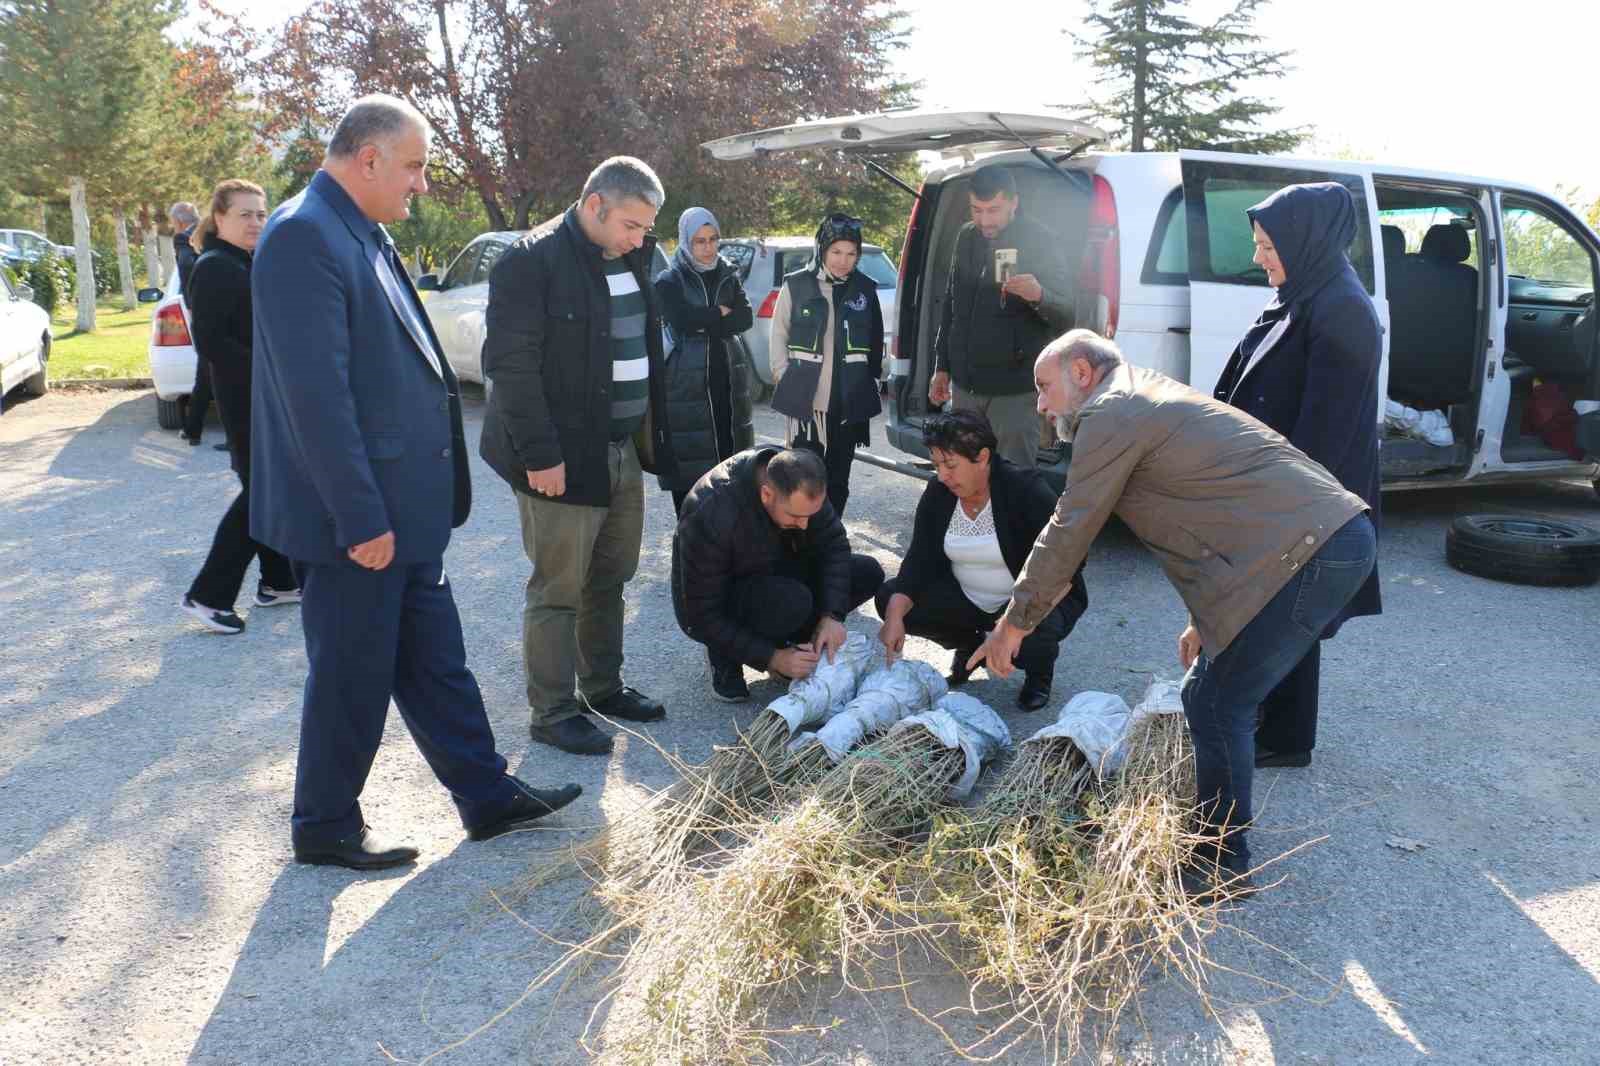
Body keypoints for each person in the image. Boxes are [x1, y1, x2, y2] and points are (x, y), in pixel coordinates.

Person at [251, 95, 581, 870]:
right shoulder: (303, 235)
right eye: (415, 166)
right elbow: (316, 402)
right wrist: (360, 519)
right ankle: (324, 823)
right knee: (352, 671)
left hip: (406, 509)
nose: (422, 184)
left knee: (435, 661)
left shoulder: (357, 228)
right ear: (368, 159)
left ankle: (486, 795)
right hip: (360, 518)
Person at [969, 330, 1376, 897]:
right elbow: (1204, 512)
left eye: (1044, 387)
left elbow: (1071, 527)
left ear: (1082, 373)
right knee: (1212, 695)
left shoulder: (1111, 412)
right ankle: (1217, 841)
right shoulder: (1140, 398)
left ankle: (1223, 862)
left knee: (1217, 701)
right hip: (1319, 543)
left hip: (1311, 552)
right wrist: (1201, 618)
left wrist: (1015, 621)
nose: (1040, 405)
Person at [481, 157, 678, 757]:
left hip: (620, 450)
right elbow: (511, 368)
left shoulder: (633, 254)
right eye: (631, 225)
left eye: (646, 228)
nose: (640, 239)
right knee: (558, 589)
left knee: (610, 578)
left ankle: (602, 687)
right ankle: (553, 712)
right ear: (595, 204)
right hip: (559, 458)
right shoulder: (529, 261)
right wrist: (540, 456)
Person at [1213, 182, 1383, 770]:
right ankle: (1270, 722)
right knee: (1277, 608)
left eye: (1268, 246)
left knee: (1292, 611)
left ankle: (1286, 739)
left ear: (1305, 241)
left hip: (1307, 498)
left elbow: (1328, 430)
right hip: (1275, 485)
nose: (1258, 257)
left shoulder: (1343, 310)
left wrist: (1280, 505)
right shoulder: (1302, 293)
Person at [874, 409, 1086, 710]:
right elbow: (918, 560)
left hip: (1027, 600)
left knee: (1034, 636)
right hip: (967, 597)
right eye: (936, 465)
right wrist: (894, 618)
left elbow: (1069, 561)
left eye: (950, 465)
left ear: (983, 457)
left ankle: (1039, 673)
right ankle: (969, 643)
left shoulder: (1024, 488)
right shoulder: (939, 492)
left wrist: (1011, 625)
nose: (942, 475)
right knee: (889, 598)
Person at [177, 180, 299, 635]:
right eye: (245, 214)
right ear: (220, 218)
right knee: (264, 492)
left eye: (261, 214)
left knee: (267, 488)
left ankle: (279, 582)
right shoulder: (214, 266)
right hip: (247, 400)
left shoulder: (242, 261)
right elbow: (211, 342)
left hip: (262, 397)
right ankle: (208, 596)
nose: (255, 222)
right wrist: (271, 373)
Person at [673, 446, 885, 702]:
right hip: (724, 596)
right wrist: (771, 657)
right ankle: (724, 655)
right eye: (795, 516)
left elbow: (834, 547)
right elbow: (700, 614)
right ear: (767, 494)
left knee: (866, 573)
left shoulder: (802, 479)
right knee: (791, 602)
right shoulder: (710, 510)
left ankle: (797, 645)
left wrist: (832, 615)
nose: (804, 525)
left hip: (778, 571)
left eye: (810, 515)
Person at [928, 166, 1071, 469]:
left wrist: (1039, 295)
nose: (984, 221)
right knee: (964, 475)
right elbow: (952, 305)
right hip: (965, 388)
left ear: (1013, 203)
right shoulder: (966, 236)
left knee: (1013, 480)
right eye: (976, 210)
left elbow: (1067, 313)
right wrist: (942, 366)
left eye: (993, 210)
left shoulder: (1041, 240)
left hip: (1014, 392)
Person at [768, 213, 883, 517]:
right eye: (836, 252)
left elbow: (875, 342)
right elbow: (778, 334)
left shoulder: (865, 289)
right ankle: (801, 532)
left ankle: (830, 532)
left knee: (839, 480)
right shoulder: (796, 285)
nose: (843, 261)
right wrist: (782, 375)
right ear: (821, 249)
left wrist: (872, 382)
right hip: (807, 403)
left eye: (851, 254)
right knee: (803, 478)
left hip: (848, 403)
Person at [654, 206, 754, 514]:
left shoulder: (728, 274)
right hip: (686, 386)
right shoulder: (670, 280)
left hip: (728, 382)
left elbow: (744, 318)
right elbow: (682, 321)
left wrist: (705, 319)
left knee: (732, 474)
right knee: (690, 486)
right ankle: (688, 542)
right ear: (686, 241)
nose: (708, 247)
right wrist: (718, 314)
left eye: (713, 239)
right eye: (700, 241)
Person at [169, 200, 217, 450]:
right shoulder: (213, 230)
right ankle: (193, 428)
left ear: (178, 221)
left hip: (203, 312)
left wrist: (191, 302)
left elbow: (187, 269)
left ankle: (194, 428)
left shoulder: (183, 239)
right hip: (218, 307)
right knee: (207, 372)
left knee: (208, 371)